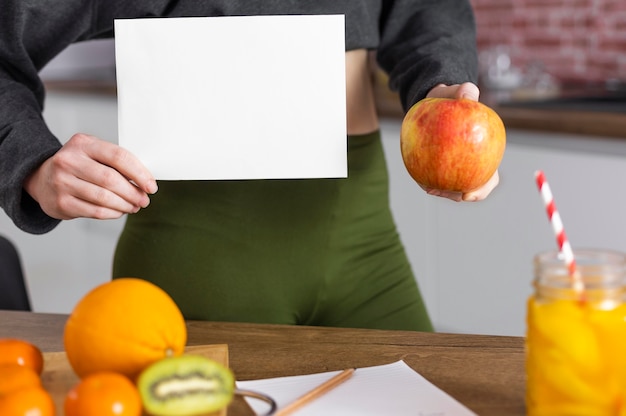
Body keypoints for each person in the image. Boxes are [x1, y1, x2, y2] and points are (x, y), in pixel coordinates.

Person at [0, 1, 498, 331]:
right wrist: (33, 161)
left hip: (361, 232)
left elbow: (425, 10)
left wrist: (442, 86)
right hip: (196, 244)